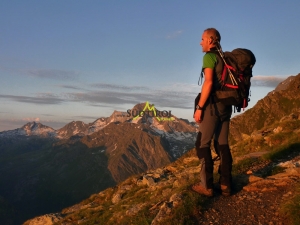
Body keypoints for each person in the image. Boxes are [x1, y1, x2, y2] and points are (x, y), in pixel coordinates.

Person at [192, 28, 233, 197]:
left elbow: (208, 83)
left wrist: (200, 108)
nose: (200, 42)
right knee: (222, 144)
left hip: (213, 107)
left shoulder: (209, 57)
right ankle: (225, 185)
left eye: (202, 39)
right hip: (227, 106)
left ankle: (207, 186)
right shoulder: (226, 58)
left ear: (210, 40)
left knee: (202, 145)